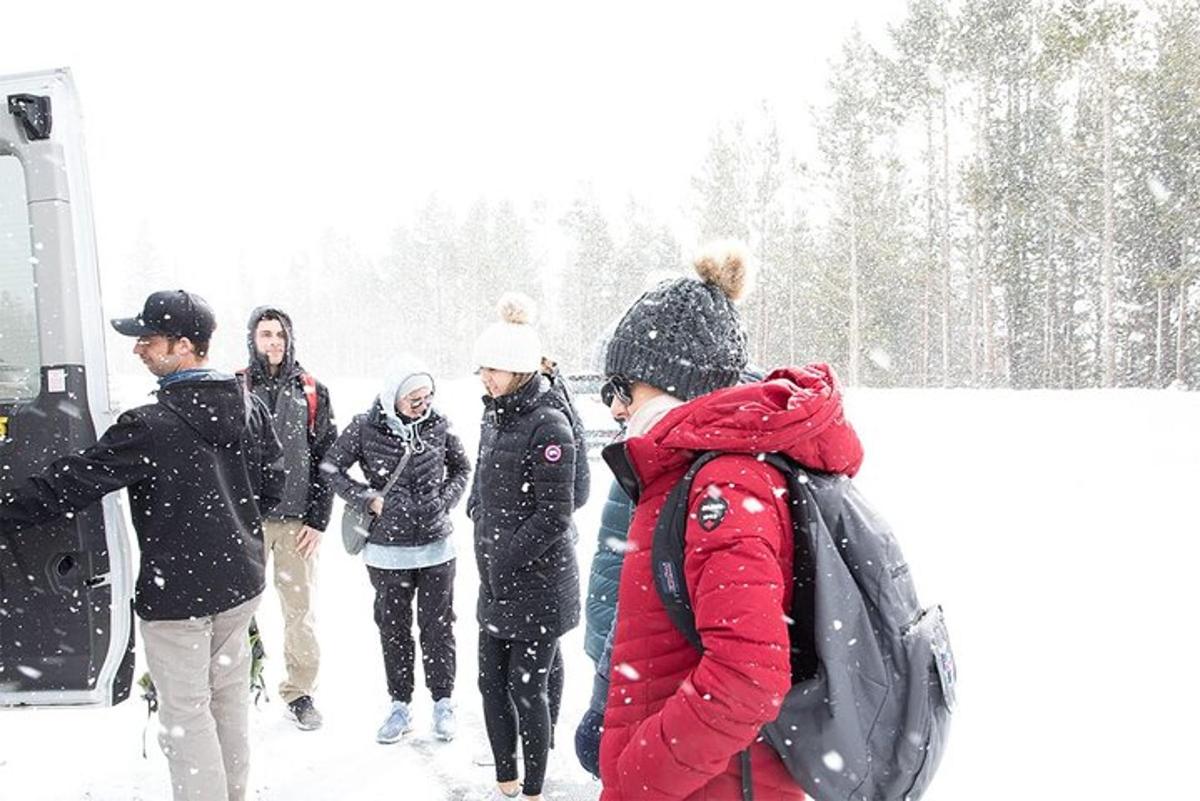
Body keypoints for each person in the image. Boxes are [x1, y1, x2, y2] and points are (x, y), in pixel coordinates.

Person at [594, 244, 863, 800]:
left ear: (672, 380)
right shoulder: (695, 474)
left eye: (624, 388)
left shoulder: (725, 485)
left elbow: (749, 678)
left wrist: (635, 780)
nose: (617, 407)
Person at [0, 290, 283, 801]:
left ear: (183, 345)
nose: (138, 350)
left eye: (147, 340)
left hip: (177, 598)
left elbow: (69, 485)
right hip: (240, 582)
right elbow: (273, 487)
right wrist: (228, 523)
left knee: (186, 714)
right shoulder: (249, 407)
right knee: (227, 704)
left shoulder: (149, 426)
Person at [323, 357, 470, 743]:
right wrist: (365, 497)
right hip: (387, 552)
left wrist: (445, 500)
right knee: (394, 629)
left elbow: (462, 468)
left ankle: (443, 702)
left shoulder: (438, 424)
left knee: (439, 629)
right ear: (394, 398)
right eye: (414, 399)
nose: (423, 405)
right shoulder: (365, 427)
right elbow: (331, 468)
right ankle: (400, 705)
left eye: (427, 397)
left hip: (437, 546)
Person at [468, 293, 580, 801]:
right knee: (490, 684)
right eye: (482, 368)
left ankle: (534, 788)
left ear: (516, 369)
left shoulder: (548, 424)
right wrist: (475, 510)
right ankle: (505, 779)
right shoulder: (494, 415)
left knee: (526, 688)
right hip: (495, 579)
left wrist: (507, 554)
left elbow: (556, 513)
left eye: (492, 368)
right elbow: (485, 478)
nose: (485, 378)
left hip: (536, 584)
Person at [243, 305, 338, 730]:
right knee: (236, 610)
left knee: (299, 613)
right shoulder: (236, 388)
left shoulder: (312, 390)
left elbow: (327, 460)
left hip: (297, 523)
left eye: (280, 334)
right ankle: (241, 681)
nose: (274, 342)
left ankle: (300, 692)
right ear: (253, 339)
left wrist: (318, 520)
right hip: (247, 522)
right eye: (266, 334)